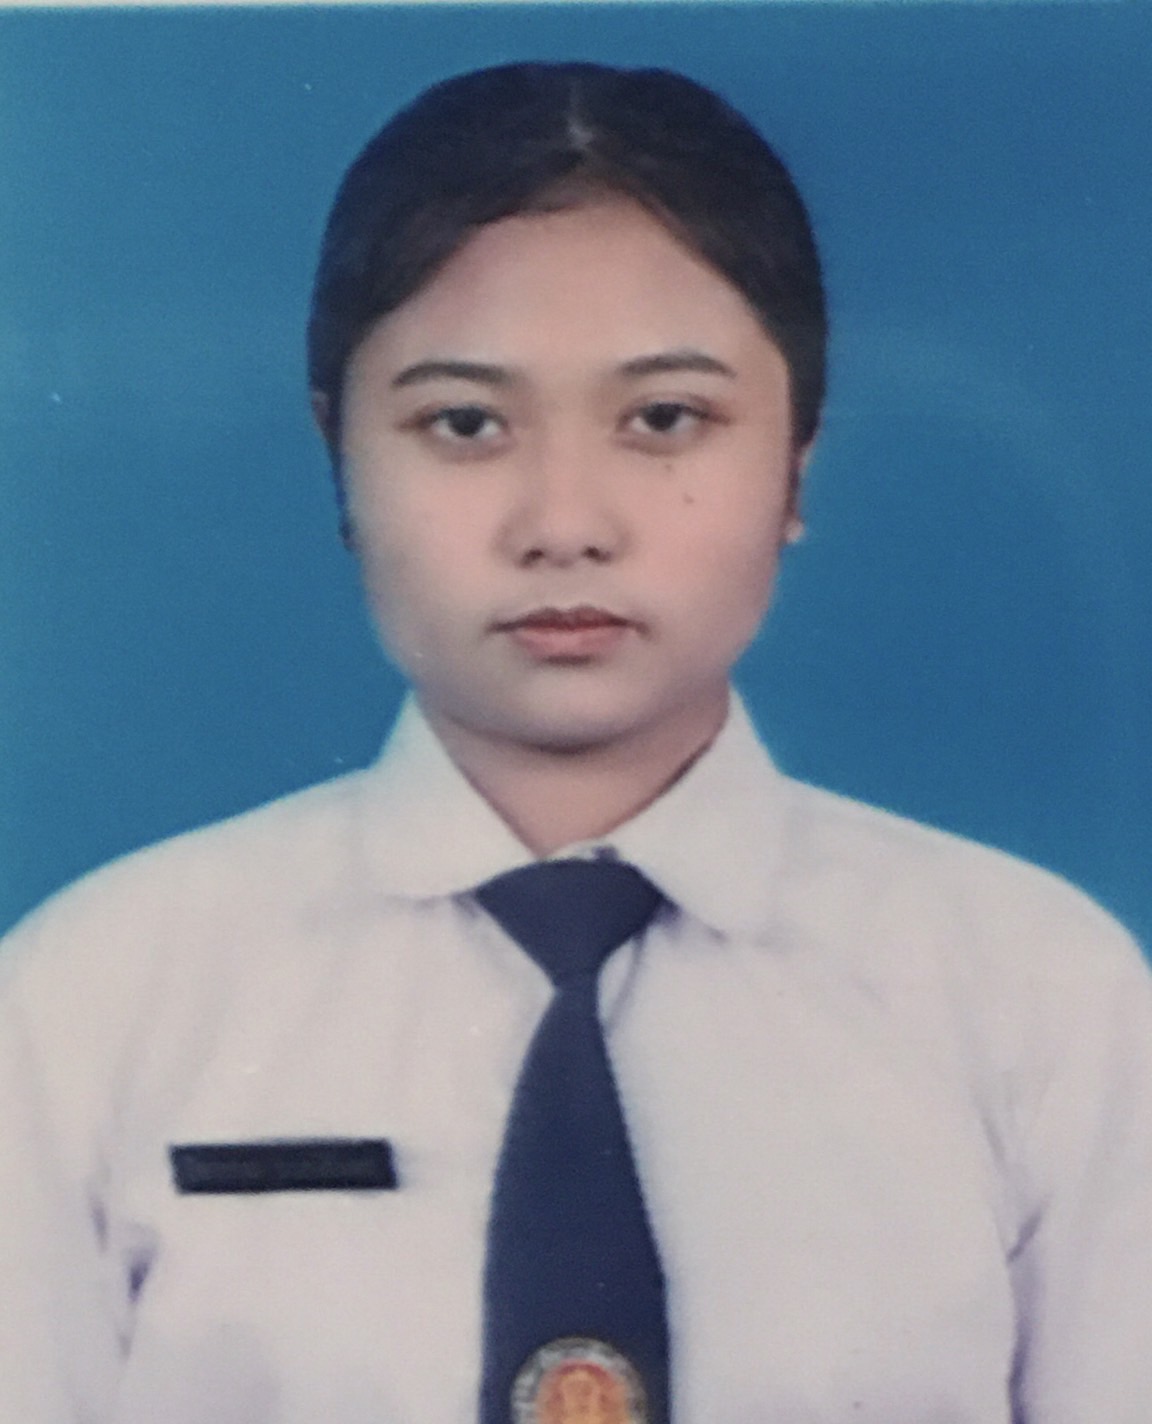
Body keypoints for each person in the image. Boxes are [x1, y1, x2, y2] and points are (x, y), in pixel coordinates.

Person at [1, 59, 1150, 1424]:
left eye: (665, 419)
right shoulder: (90, 1003)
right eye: (464, 423)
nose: (564, 524)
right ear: (339, 457)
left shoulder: (1036, 998)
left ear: (797, 461)